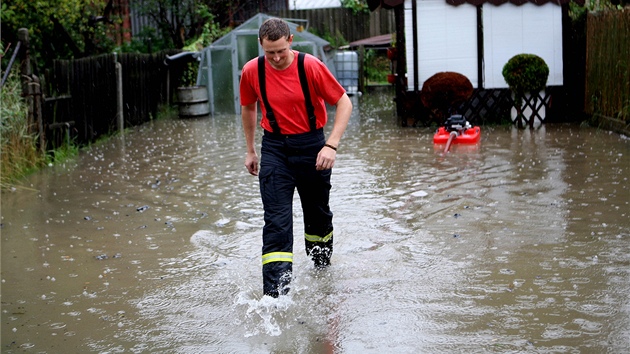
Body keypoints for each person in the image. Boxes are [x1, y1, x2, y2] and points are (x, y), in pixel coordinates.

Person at [239, 18, 353, 298]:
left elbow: (343, 102)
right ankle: (276, 295)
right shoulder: (252, 71)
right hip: (275, 148)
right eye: (270, 53)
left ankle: (321, 270)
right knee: (276, 221)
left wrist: (332, 145)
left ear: (291, 41)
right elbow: (248, 108)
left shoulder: (310, 66)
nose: (276, 58)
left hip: (313, 146)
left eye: (280, 50)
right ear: (261, 46)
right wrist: (251, 149)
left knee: (317, 217)